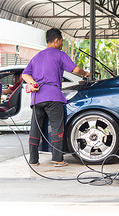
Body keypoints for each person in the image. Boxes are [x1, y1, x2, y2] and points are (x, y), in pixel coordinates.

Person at [22, 28, 90, 167]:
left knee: (35, 128)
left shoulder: (37, 56)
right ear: (56, 40)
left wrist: (32, 83)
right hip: (53, 96)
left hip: (37, 98)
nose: (61, 45)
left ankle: (33, 160)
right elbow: (76, 70)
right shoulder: (59, 54)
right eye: (61, 42)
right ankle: (57, 159)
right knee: (57, 127)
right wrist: (85, 73)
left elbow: (25, 74)